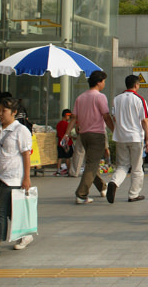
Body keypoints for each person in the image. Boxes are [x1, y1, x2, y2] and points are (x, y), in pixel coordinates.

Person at [0, 98, 33, 262]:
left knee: (0, 211)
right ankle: (25, 234)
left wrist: (26, 178)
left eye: (4, 111)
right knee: (10, 209)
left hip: (13, 177)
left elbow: (26, 155)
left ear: (14, 112)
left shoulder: (20, 130)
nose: (0, 114)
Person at [61, 70, 113, 204]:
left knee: (91, 162)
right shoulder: (100, 97)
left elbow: (73, 118)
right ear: (98, 82)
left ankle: (102, 187)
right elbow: (106, 116)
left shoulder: (80, 97)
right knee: (92, 164)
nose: (104, 84)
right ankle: (81, 194)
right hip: (96, 135)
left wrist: (67, 133)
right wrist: (115, 131)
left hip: (83, 135)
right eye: (104, 81)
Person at [107, 75, 148, 204]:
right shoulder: (139, 99)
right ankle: (133, 194)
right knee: (137, 167)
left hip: (120, 137)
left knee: (122, 165)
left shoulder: (116, 99)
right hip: (136, 137)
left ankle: (114, 182)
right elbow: (145, 120)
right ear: (137, 85)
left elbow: (114, 117)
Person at [55, 109, 74, 175]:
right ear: (66, 115)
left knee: (60, 157)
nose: (69, 117)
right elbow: (68, 134)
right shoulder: (67, 124)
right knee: (67, 157)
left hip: (60, 143)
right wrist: (74, 137)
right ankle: (69, 170)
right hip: (67, 143)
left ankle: (58, 170)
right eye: (69, 115)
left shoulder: (58, 124)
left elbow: (58, 134)